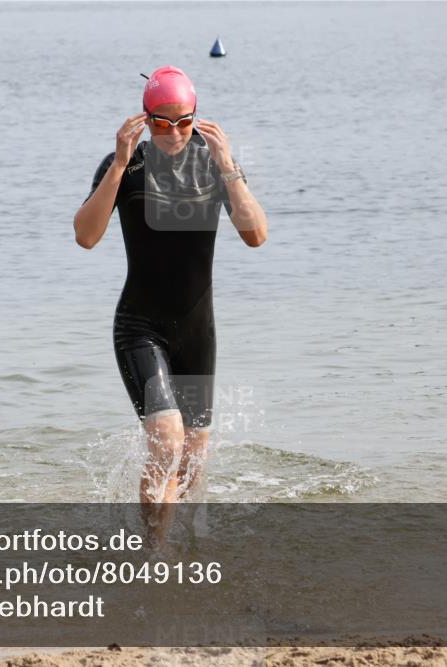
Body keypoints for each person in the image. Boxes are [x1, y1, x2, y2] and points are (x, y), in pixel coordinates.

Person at [73, 66, 268, 532]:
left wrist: (228, 167)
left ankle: (177, 543)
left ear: (196, 119)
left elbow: (256, 235)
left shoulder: (213, 165)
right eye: (162, 122)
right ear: (146, 119)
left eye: (184, 121)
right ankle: (153, 557)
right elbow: (85, 236)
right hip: (140, 327)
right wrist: (118, 164)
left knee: (193, 455)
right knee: (166, 438)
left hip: (197, 333)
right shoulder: (126, 165)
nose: (174, 132)